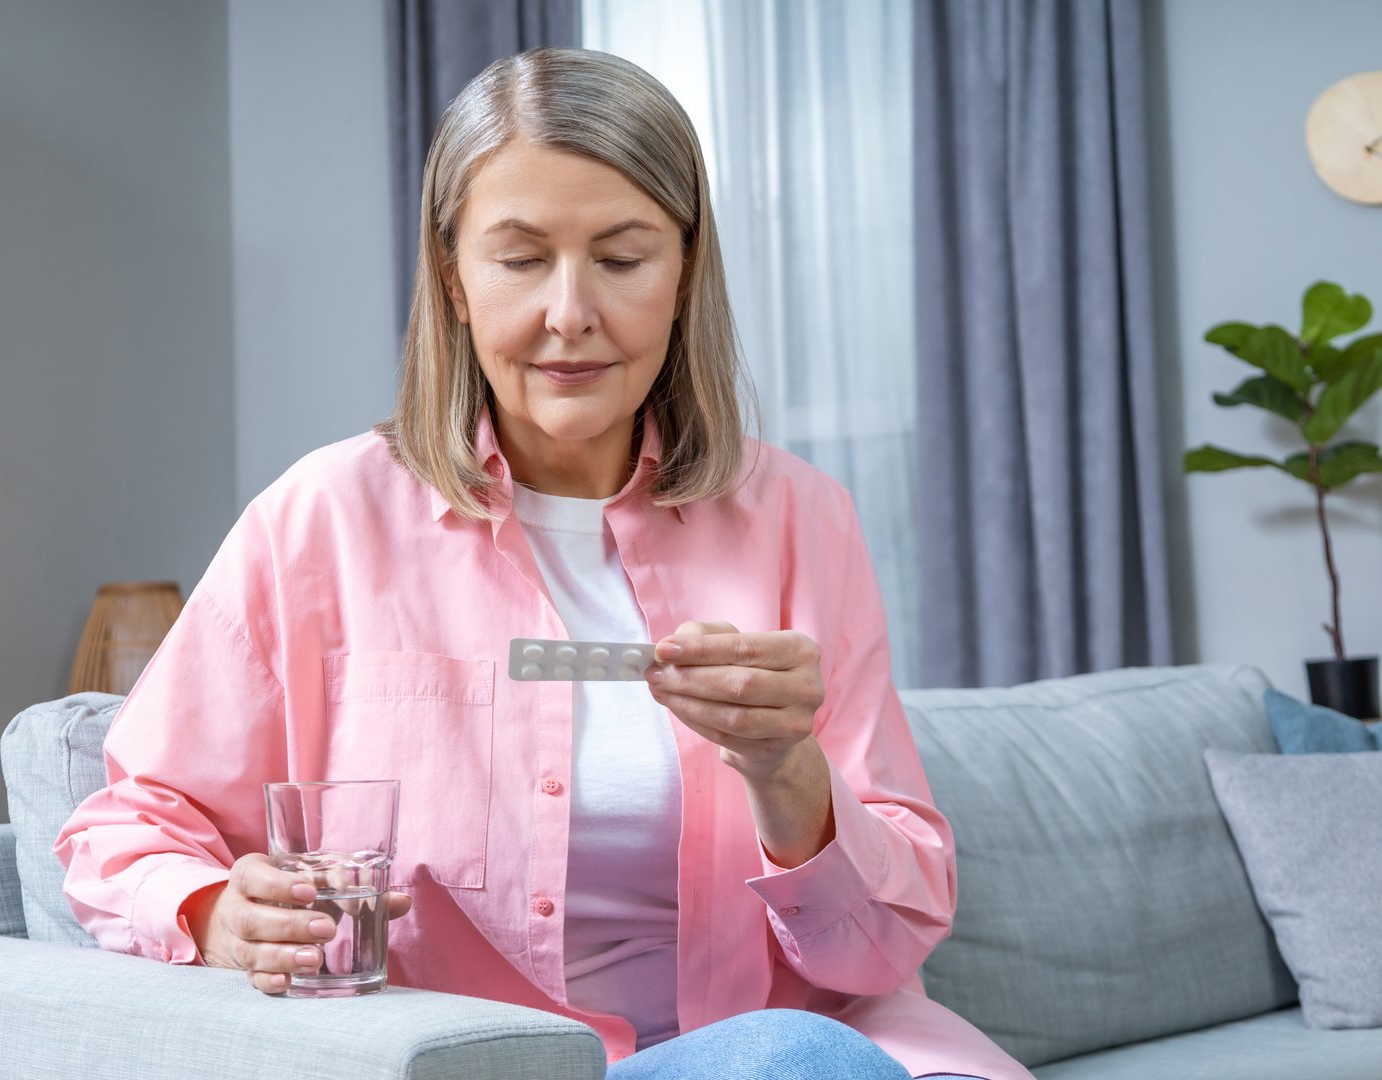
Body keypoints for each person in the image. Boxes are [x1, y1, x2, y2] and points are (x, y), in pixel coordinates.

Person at [55, 47, 1030, 1080]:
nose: (572, 313)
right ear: (454, 279)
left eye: (622, 257)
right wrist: (211, 910)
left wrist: (789, 774)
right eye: (521, 258)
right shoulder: (321, 523)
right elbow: (124, 829)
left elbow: (879, 948)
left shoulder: (800, 519)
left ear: (686, 270)